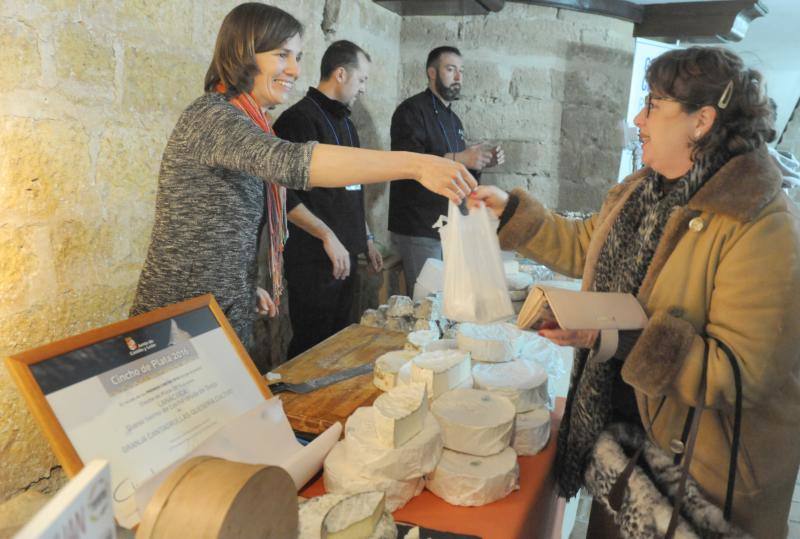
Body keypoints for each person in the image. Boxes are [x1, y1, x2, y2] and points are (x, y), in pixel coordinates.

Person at [471, 46, 800, 537]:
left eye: (654, 104)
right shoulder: (643, 190)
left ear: (701, 121)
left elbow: (734, 373)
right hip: (622, 444)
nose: (637, 117)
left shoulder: (758, 223)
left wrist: (612, 337)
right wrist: (512, 215)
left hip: (695, 480)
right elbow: (590, 247)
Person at [130, 4, 475, 351]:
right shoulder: (212, 117)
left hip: (217, 308)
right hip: (178, 322)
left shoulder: (250, 125)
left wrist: (241, 286)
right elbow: (292, 161)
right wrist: (416, 164)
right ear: (244, 53)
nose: (294, 69)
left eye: (297, 56)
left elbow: (216, 233)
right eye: (282, 55)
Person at [273, 40, 382, 357]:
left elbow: (353, 186)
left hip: (346, 255)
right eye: (361, 79)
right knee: (312, 346)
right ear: (340, 74)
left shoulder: (347, 122)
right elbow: (282, 195)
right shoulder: (296, 120)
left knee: (339, 343)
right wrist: (327, 236)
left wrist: (367, 238)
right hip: (313, 259)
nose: (363, 89)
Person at [388, 45, 504, 295]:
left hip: (450, 223)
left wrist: (481, 161)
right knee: (425, 300)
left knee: (446, 299)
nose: (458, 77)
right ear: (432, 72)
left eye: (461, 71)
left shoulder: (455, 121)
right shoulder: (410, 111)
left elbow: (458, 171)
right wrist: (463, 157)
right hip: (418, 223)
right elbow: (409, 162)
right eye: (451, 69)